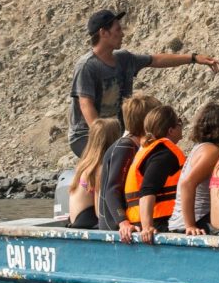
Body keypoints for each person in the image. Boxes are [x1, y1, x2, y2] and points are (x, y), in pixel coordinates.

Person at [69, 10, 219, 158]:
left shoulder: (124, 59)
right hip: (86, 135)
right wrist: (103, 139)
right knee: (109, 165)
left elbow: (156, 60)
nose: (122, 34)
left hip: (117, 134)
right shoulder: (87, 66)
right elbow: (85, 104)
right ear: (103, 33)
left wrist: (194, 58)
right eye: (118, 29)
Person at [120, 103, 186, 241]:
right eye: (179, 122)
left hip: (149, 219)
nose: (182, 126)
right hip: (158, 222)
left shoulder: (150, 150)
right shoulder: (164, 155)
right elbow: (147, 190)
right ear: (170, 130)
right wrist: (147, 227)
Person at [173, 103, 219, 236]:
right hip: (198, 220)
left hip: (183, 221)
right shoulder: (212, 152)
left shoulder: (199, 148)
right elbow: (187, 184)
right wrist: (190, 225)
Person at [99, 94, 154, 230]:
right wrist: (123, 222)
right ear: (146, 121)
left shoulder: (134, 146)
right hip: (115, 226)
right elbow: (112, 190)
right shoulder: (126, 147)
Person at [65, 114, 112, 229]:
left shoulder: (86, 163)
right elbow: (99, 212)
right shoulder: (100, 168)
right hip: (86, 222)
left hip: (76, 220)